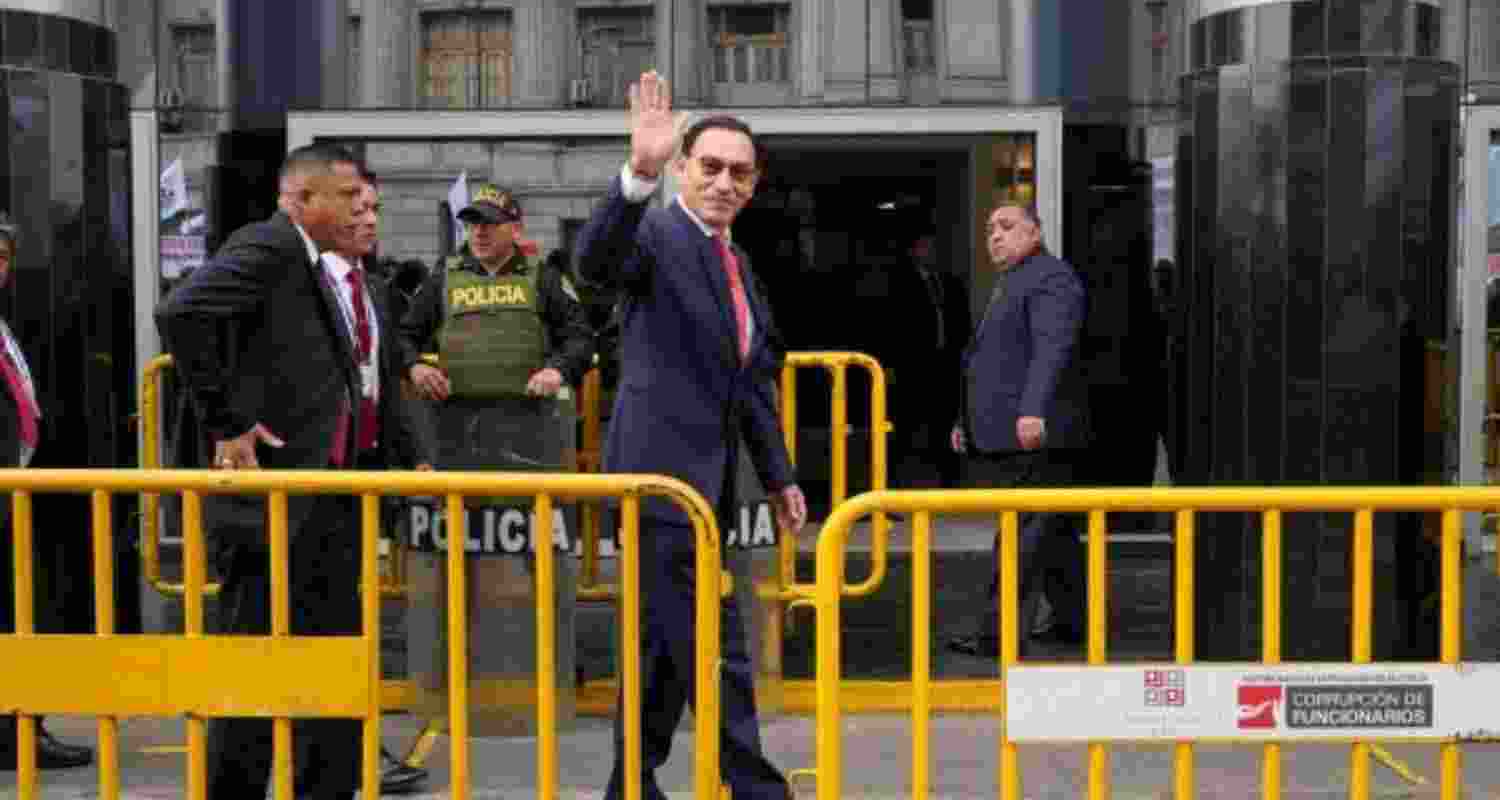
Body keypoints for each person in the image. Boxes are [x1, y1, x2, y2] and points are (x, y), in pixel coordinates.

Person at [156, 144, 426, 800]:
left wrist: (396, 457)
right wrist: (226, 422)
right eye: (344, 198)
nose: (358, 211)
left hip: (330, 501)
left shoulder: (346, 278)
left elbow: (359, 383)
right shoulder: (271, 247)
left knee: (330, 660)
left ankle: (328, 785)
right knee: (253, 663)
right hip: (269, 506)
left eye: (367, 201)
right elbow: (180, 313)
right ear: (302, 200)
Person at [574, 70, 807, 800]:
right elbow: (594, 268)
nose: (724, 182)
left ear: (754, 182)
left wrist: (781, 475)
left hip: (706, 486)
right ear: (682, 168)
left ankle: (629, 788)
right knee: (717, 640)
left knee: (663, 651)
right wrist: (635, 177)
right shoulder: (654, 233)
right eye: (709, 166)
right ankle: (755, 789)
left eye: (739, 171)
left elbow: (751, 383)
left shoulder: (736, 261)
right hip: (656, 483)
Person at [946, 202, 1090, 660]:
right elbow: (992, 362)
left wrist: (1033, 411)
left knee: (1021, 535)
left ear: (1035, 232)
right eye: (989, 228)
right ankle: (1072, 622)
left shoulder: (1050, 278)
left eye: (1007, 227)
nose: (995, 236)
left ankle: (996, 634)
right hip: (1022, 431)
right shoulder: (1017, 280)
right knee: (1053, 532)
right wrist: (964, 421)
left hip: (1035, 435)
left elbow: (1052, 349)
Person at [0, 221, 94, 772]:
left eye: (5, 256)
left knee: (18, 616)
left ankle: (21, 727)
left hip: (15, 491)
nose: (0, 266)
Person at [397, 183, 593, 409]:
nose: (479, 232)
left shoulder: (545, 279)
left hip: (531, 420)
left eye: (491, 223)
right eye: (472, 223)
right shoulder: (442, 279)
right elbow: (403, 337)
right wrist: (415, 367)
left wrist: (558, 370)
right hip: (456, 422)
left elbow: (581, 339)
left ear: (516, 229)